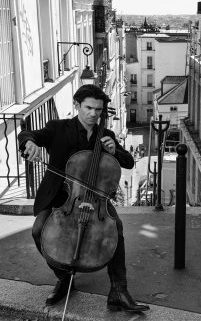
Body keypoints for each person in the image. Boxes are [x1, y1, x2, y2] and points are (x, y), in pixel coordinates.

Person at [18, 84, 149, 312]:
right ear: (77, 105)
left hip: (95, 198)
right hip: (61, 197)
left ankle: (119, 290)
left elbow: (127, 161)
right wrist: (28, 143)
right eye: (88, 108)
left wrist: (114, 151)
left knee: (115, 229)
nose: (93, 114)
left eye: (98, 110)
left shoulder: (105, 135)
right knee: (39, 230)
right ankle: (64, 277)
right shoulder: (58, 128)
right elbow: (29, 134)